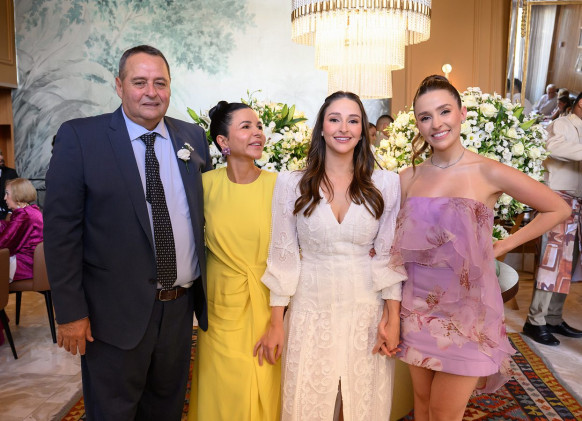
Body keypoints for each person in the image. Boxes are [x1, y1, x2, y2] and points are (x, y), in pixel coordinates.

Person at [44, 45, 212, 420]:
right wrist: (70, 312)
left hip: (179, 309)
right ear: (119, 86)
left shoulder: (192, 138)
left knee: (166, 409)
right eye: (139, 82)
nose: (151, 92)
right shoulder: (81, 138)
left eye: (160, 83)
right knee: (113, 412)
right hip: (112, 313)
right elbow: (61, 233)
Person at [389, 75, 570, 421]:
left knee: (444, 413)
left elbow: (557, 208)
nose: (436, 123)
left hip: (467, 312)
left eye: (444, 111)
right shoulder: (408, 177)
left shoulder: (487, 171)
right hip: (416, 309)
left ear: (462, 113)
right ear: (418, 125)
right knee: (422, 405)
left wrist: (504, 245)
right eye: (426, 116)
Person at [261, 91, 402, 420]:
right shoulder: (291, 184)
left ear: (363, 131)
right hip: (311, 308)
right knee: (306, 403)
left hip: (366, 308)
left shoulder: (386, 183)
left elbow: (388, 257)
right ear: (321, 128)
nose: (343, 128)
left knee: (363, 404)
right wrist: (276, 322)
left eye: (353, 120)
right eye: (334, 119)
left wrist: (393, 318)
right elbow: (283, 257)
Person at [188, 101, 280, 420]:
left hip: (268, 303)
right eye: (246, 126)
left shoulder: (279, 187)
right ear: (223, 141)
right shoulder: (204, 186)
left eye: (259, 126)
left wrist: (279, 319)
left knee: (266, 382)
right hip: (221, 308)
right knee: (223, 390)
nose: (257, 133)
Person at [523, 92, 582, 346]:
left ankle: (553, 318)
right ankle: (535, 321)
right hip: (557, 200)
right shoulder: (562, 123)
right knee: (552, 262)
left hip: (577, 204)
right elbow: (552, 147)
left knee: (567, 265)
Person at [0, 178, 43, 282]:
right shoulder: (31, 210)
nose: (5, 198)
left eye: (7, 193)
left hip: (25, 265)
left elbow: (4, 242)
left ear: (17, 195)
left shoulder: (23, 215)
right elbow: (12, 227)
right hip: (33, 262)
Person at [0, 149, 19, 220]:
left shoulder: (10, 173)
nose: (1, 157)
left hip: (7, 215)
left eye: (1, 154)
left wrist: (10, 213)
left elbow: (18, 195)